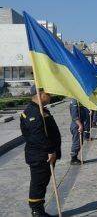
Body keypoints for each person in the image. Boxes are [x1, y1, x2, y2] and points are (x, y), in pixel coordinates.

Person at [20, 86, 61, 217]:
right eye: (48, 93)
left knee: (42, 182)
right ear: (40, 94)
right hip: (40, 155)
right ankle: (36, 211)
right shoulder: (33, 112)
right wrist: (50, 150)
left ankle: (39, 209)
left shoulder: (40, 110)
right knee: (38, 182)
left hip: (43, 154)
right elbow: (37, 135)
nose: (50, 96)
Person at [69, 99, 88, 165]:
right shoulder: (74, 101)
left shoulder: (78, 100)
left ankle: (75, 157)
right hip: (76, 125)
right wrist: (80, 125)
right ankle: (73, 159)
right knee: (77, 142)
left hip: (79, 123)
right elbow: (75, 116)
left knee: (80, 141)